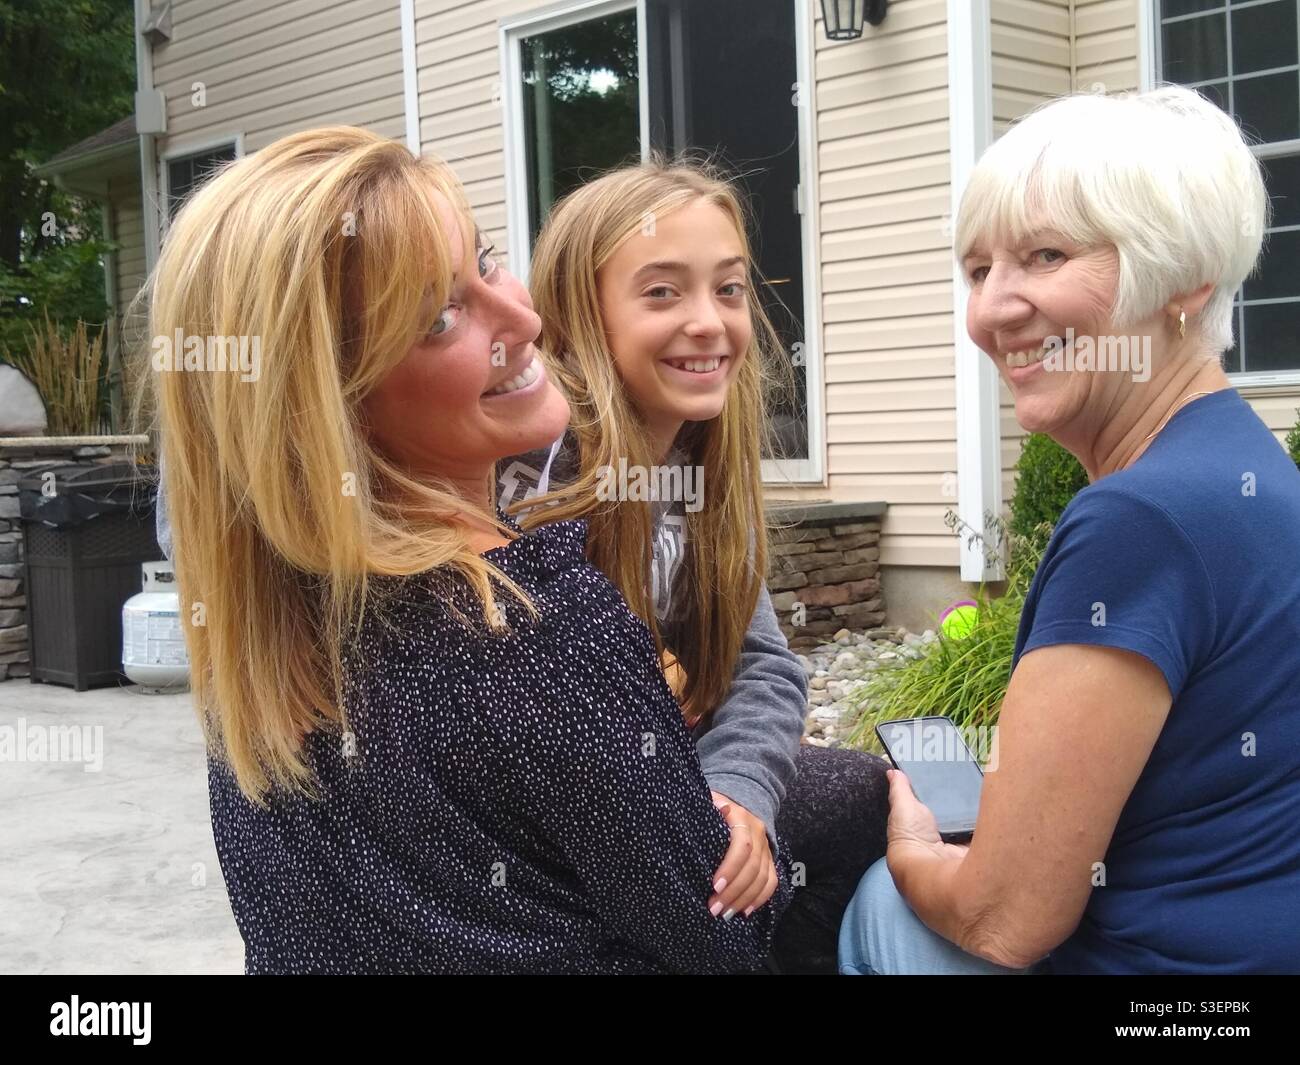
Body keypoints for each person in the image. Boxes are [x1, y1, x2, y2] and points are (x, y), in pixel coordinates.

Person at [147, 126, 794, 973]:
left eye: (488, 262)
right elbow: (718, 935)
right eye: (440, 317)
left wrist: (725, 782)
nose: (525, 321)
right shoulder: (540, 617)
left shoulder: (261, 653)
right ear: (322, 406)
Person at [838, 85, 1300, 975]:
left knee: (880, 905)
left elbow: (1004, 922)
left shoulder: (1138, 517)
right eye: (978, 271)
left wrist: (912, 845)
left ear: (1183, 283)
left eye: (1046, 256)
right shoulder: (1246, 460)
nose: (995, 310)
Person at [503, 159, 889, 972]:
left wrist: (738, 793)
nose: (710, 322)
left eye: (730, 288)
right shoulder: (539, 482)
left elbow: (766, 668)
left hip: (685, 779)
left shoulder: (703, 472)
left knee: (857, 797)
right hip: (582, 816)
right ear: (578, 316)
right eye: (662, 292)